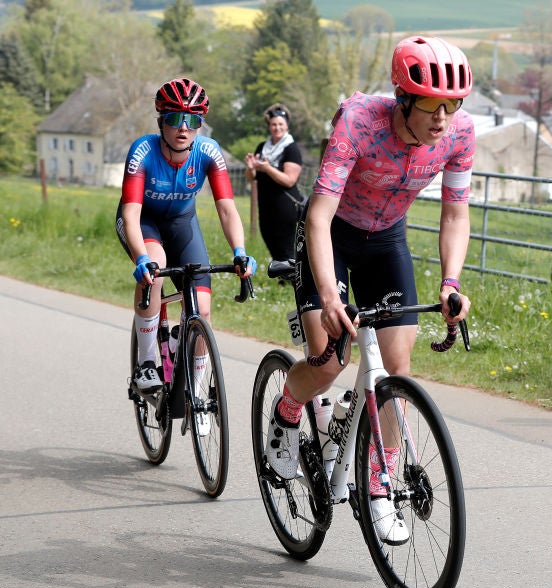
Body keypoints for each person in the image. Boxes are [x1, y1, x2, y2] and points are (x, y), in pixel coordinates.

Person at [262, 36, 474, 544]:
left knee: (396, 368)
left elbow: (454, 212)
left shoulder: (460, 134)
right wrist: (331, 299)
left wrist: (450, 283)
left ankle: (379, 486)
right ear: (404, 99)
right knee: (329, 359)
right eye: (431, 105)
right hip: (330, 232)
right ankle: (288, 409)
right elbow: (317, 215)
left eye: (453, 105)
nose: (443, 118)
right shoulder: (359, 121)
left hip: (386, 240)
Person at [116, 78, 255, 411]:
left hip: (182, 225)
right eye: (175, 118)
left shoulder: (209, 152)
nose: (183, 128)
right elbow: (131, 214)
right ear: (161, 120)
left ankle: (193, 380)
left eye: (192, 120)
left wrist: (239, 251)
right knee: (156, 269)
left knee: (202, 309)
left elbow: (226, 208)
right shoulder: (143, 151)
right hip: (143, 222)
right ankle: (147, 364)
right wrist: (141, 259)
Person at [245, 103, 304, 262]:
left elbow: (289, 180)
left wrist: (268, 168)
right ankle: (282, 279)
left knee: (287, 249)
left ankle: (293, 281)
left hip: (285, 208)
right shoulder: (262, 147)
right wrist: (251, 168)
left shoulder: (291, 149)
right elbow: (251, 177)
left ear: (286, 126)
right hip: (265, 206)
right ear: (269, 126)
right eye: (273, 124)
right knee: (272, 245)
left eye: (280, 124)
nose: (277, 127)